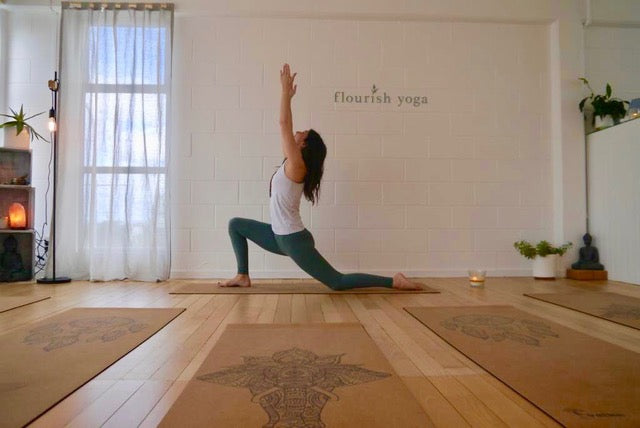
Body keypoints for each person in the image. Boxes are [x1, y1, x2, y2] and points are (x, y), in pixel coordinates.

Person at [220, 64, 422, 291]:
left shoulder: (298, 166)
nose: (297, 132)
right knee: (235, 225)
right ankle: (242, 275)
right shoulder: (289, 161)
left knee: (337, 282)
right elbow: (285, 129)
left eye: (302, 132)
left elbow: (283, 124)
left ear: (304, 144)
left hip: (292, 239)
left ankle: (394, 281)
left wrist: (285, 94)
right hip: (277, 235)